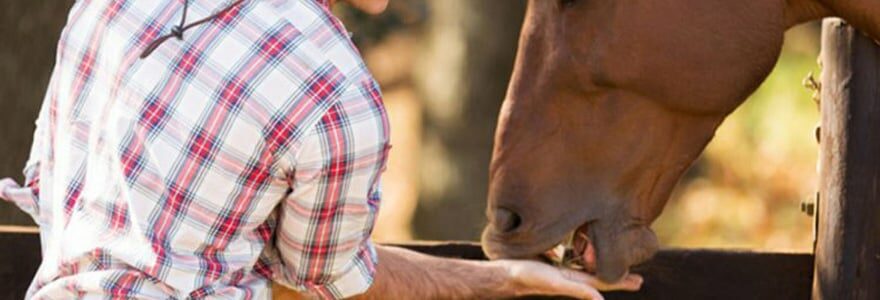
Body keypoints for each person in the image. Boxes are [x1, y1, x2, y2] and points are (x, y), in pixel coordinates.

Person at [0, 0, 642, 298]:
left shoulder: (104, 7)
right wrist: (500, 281)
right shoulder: (333, 87)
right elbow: (329, 282)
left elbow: (58, 194)